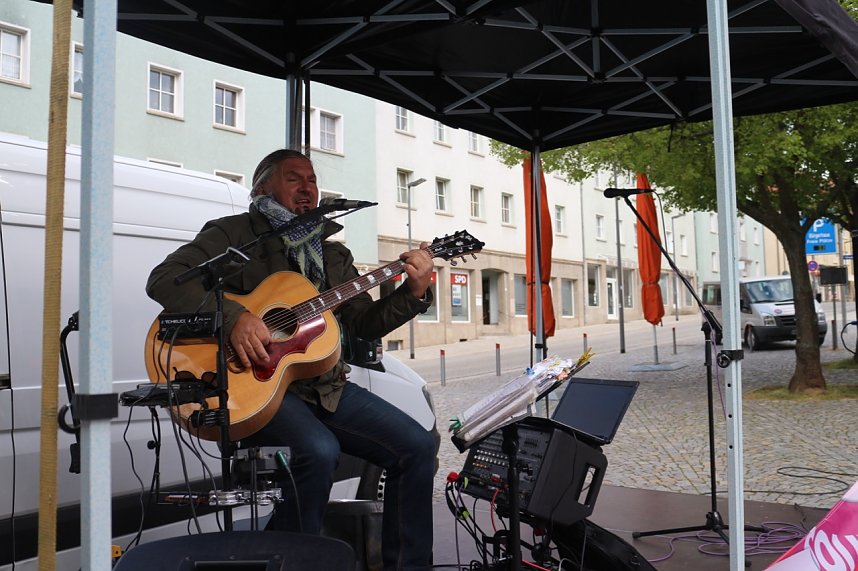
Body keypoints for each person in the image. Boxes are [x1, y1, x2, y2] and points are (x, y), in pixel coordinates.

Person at [146, 149, 436, 571]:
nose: (308, 188)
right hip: (253, 388)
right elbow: (165, 280)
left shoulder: (332, 254)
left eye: (313, 180)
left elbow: (362, 324)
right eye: (294, 178)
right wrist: (234, 318)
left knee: (417, 445)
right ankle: (290, 563)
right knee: (318, 451)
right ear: (263, 186)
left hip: (324, 386)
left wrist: (412, 294)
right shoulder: (234, 235)